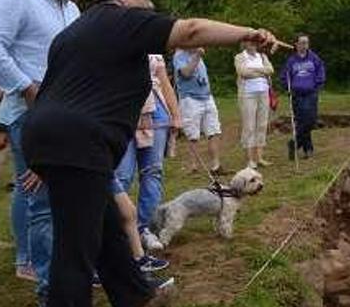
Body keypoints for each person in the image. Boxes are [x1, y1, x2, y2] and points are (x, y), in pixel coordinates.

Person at [20, 0, 277, 307]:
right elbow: (189, 31)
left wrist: (45, 154)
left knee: (104, 225)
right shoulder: (121, 20)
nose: (151, 5)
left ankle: (137, 298)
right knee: (77, 243)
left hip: (58, 138)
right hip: (78, 143)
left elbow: (54, 93)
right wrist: (248, 34)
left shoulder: (74, 33)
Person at [0, 0, 85, 290]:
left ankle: (61, 269)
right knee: (42, 201)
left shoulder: (70, 8)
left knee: (68, 196)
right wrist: (26, 86)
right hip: (31, 115)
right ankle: (48, 288)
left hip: (67, 115)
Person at [114, 53, 181, 254]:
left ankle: (145, 229)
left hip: (156, 114)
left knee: (153, 172)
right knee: (121, 177)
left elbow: (164, 82)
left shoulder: (150, 46)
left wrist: (176, 114)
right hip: (121, 112)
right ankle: (119, 232)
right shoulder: (106, 40)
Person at [173, 47, 223, 175]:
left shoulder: (196, 54)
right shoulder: (180, 55)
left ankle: (216, 166)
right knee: (193, 135)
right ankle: (193, 166)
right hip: (190, 99)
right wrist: (197, 55)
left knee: (214, 131)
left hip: (206, 97)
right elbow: (186, 73)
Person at [280, 34, 325, 160]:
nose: (305, 45)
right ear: (296, 44)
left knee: (311, 121)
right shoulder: (291, 61)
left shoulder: (314, 58)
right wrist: (289, 88)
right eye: (302, 42)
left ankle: (294, 143)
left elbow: (320, 71)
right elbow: (284, 76)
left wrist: (317, 85)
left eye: (307, 42)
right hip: (297, 95)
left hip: (311, 93)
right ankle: (308, 149)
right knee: (302, 122)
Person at [235, 37, 274, 169]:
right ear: (244, 43)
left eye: (254, 42)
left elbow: (270, 70)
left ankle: (259, 157)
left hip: (263, 93)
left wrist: (255, 71)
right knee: (249, 126)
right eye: (249, 42)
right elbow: (243, 72)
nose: (252, 45)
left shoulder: (262, 56)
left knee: (262, 124)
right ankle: (250, 159)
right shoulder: (240, 57)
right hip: (247, 95)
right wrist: (262, 72)